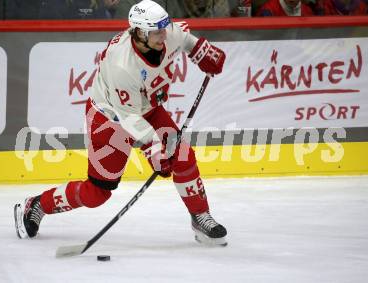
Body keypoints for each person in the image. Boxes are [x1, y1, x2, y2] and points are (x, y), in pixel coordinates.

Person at [14, 0, 228, 246]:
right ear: (139, 32)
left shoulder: (167, 34)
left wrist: (201, 51)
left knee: (182, 155)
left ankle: (200, 216)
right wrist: (154, 149)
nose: (164, 34)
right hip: (109, 118)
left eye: (164, 28)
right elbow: (128, 117)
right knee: (97, 193)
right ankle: (37, 205)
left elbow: (185, 39)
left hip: (146, 110)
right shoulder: (122, 65)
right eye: (157, 31)